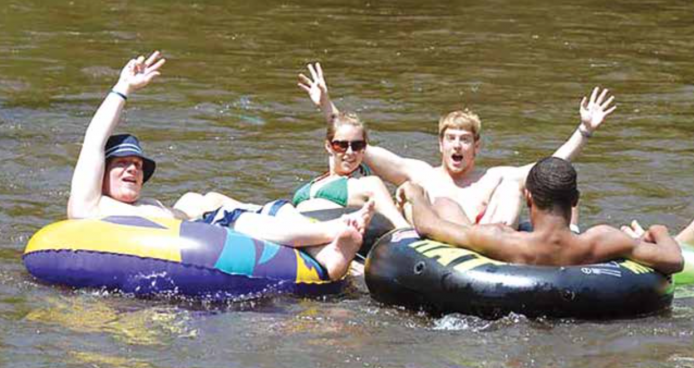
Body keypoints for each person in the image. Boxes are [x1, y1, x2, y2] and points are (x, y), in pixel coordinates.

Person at [66, 51, 368, 280]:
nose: (133, 169)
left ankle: (332, 253)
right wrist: (122, 88)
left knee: (217, 204)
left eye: (137, 165)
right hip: (212, 230)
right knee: (240, 223)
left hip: (220, 216)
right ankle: (333, 234)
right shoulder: (91, 206)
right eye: (122, 164)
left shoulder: (148, 204)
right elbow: (93, 141)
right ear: (100, 173)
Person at [299, 64, 616, 227]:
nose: (457, 146)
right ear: (440, 144)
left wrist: (584, 130)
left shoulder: (492, 177)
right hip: (431, 249)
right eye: (451, 139)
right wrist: (326, 104)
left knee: (512, 186)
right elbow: (354, 145)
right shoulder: (420, 173)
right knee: (410, 192)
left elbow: (549, 169)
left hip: (486, 246)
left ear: (476, 146)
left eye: (465, 140)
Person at [397, 157, 683, 275]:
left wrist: (415, 194)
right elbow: (674, 260)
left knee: (444, 205)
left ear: (529, 198)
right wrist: (657, 230)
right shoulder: (603, 240)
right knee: (447, 204)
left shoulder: (501, 239)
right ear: (575, 200)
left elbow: (428, 225)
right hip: (577, 264)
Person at [293, 63, 410, 229]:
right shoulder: (318, 181)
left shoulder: (366, 184)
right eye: (341, 145)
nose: (350, 152)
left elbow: (398, 225)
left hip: (329, 234)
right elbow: (337, 125)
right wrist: (325, 103)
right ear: (329, 146)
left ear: (364, 148)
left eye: (357, 145)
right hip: (294, 233)